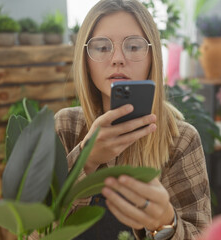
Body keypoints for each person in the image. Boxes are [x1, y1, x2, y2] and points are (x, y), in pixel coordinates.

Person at [54, 0, 211, 239]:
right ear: (85, 59)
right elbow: (36, 233)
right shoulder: (66, 127)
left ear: (152, 57)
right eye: (102, 48)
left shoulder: (180, 139)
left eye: (134, 47)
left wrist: (165, 223)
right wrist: (87, 159)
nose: (117, 58)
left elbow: (201, 234)